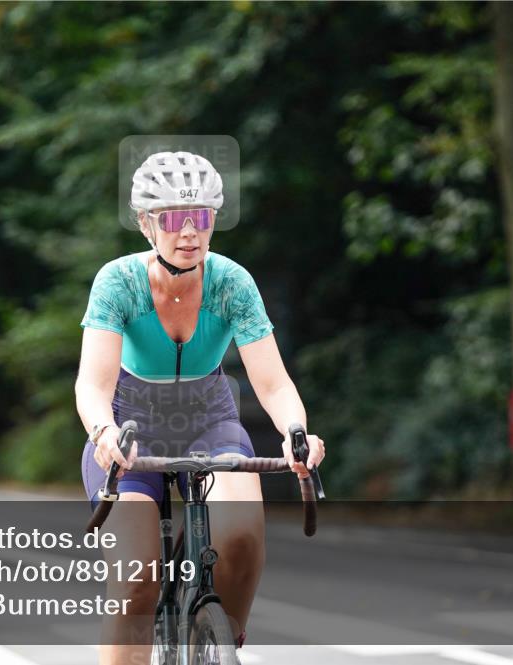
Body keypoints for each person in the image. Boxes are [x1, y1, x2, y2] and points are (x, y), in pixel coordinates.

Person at [75, 151, 326, 664]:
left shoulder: (232, 283)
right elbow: (92, 385)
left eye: (202, 218)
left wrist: (297, 432)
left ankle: (219, 641)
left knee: (242, 535)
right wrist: (103, 434)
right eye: (172, 217)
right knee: (135, 582)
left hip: (210, 420)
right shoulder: (117, 282)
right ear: (147, 224)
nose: (189, 232)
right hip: (128, 430)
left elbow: (273, 382)